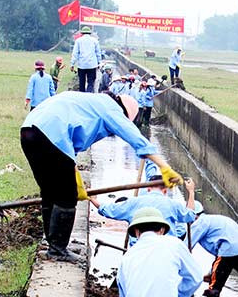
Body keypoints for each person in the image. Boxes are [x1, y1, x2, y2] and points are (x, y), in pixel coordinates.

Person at [20, 91, 182, 262]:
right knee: (66, 198)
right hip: (52, 134)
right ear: (124, 112)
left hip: (29, 131)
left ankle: (53, 244)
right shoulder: (111, 108)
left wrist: (78, 182)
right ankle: (57, 250)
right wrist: (163, 165)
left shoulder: (92, 104)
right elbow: (135, 137)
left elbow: (70, 151)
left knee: (50, 192)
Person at [90, 159, 196, 245]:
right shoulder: (173, 205)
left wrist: (92, 199)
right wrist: (191, 192)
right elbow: (190, 215)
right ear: (165, 191)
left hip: (139, 249)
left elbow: (108, 210)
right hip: (167, 249)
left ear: (148, 189)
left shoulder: (134, 202)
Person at [70, 24, 101, 92]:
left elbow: (75, 53)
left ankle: (82, 96)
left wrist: (72, 64)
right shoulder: (95, 41)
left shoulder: (78, 41)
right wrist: (99, 63)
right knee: (91, 82)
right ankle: (89, 94)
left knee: (82, 83)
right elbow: (98, 53)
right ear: (90, 33)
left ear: (82, 33)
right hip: (92, 65)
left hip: (82, 65)